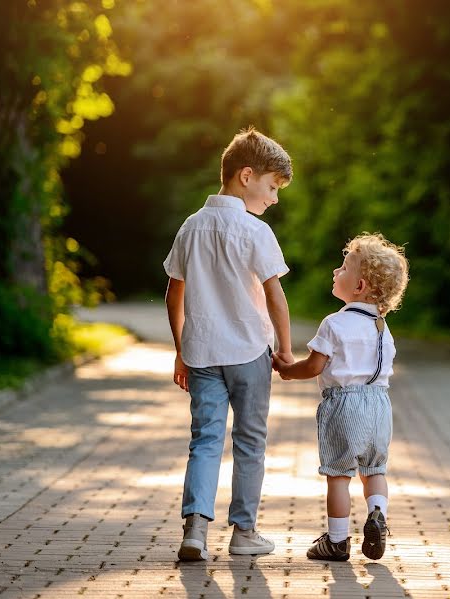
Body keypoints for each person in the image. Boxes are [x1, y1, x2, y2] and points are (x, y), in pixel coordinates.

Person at [163, 126, 294, 561]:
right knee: (250, 441)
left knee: (204, 439)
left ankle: (195, 531)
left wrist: (180, 349)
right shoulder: (255, 232)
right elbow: (276, 296)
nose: (274, 198)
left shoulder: (191, 226)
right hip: (249, 353)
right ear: (246, 175)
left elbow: (173, 291)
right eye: (272, 187)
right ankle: (244, 533)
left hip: (201, 353)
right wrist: (286, 349)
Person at [275, 233, 409, 561]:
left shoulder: (335, 323)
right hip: (379, 405)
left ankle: (337, 541)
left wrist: (289, 370)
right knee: (374, 470)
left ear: (359, 286)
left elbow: (315, 365)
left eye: (344, 267)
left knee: (339, 474)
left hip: (344, 404)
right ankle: (377, 513)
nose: (336, 271)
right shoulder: (382, 327)